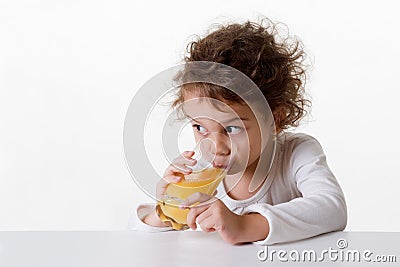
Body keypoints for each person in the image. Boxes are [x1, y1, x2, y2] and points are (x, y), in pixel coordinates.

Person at [129, 18, 347, 245]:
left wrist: (244, 226)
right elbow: (132, 238)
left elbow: (332, 208)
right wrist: (167, 209)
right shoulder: (200, 173)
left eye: (232, 128)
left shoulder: (296, 154)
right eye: (200, 127)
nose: (216, 148)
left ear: (275, 119)